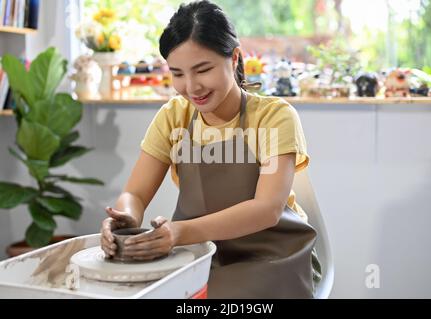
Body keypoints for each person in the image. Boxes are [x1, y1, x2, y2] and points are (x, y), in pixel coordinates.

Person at [101, 0, 321, 298]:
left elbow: (267, 209)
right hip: (197, 255)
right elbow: (135, 194)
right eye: (178, 74)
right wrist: (125, 217)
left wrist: (179, 233)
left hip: (273, 256)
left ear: (234, 59)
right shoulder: (173, 116)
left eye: (202, 70)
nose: (192, 87)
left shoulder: (273, 116)